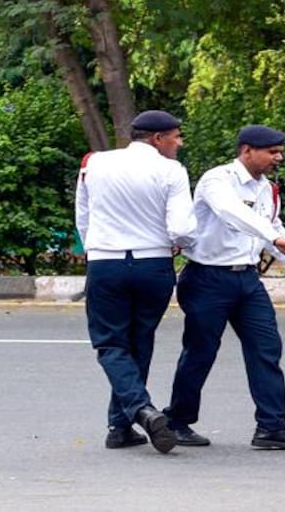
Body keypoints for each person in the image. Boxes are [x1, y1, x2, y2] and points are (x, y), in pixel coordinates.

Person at [163, 125, 285, 450]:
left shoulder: (267, 189)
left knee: (267, 349)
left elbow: (275, 232)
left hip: (247, 281)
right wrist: (275, 237)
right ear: (247, 150)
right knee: (200, 352)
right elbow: (232, 213)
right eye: (272, 152)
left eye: (280, 152)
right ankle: (177, 421)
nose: (278, 158)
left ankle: (272, 426)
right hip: (207, 278)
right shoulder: (218, 179)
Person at [74, 110, 197, 453]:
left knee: (111, 344)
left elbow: (82, 214)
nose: (179, 143)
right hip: (153, 264)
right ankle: (120, 426)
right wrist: (180, 244)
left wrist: (94, 249)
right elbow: (183, 230)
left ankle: (138, 412)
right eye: (176, 136)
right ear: (157, 139)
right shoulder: (171, 170)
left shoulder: (94, 162)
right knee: (139, 340)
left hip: (107, 262)